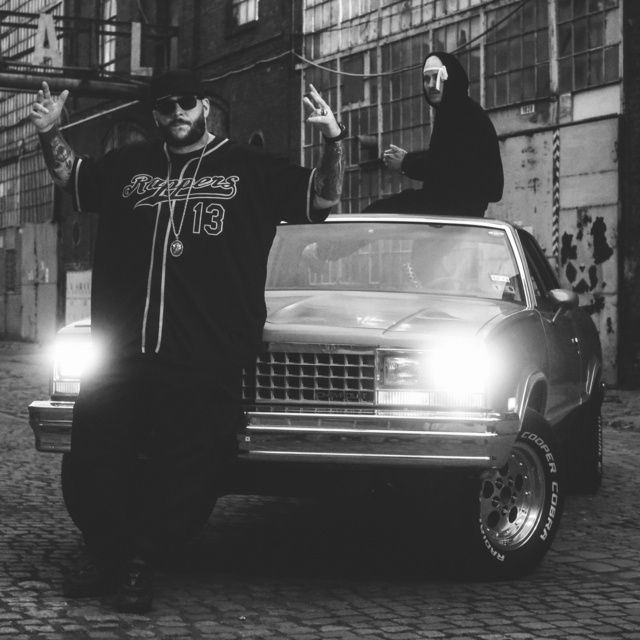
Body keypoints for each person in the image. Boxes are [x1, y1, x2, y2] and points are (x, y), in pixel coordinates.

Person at [29, 69, 345, 613]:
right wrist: (49, 131)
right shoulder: (129, 165)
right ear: (154, 114)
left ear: (204, 106)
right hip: (123, 348)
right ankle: (104, 551)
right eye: (164, 105)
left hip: (204, 354)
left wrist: (333, 140)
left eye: (185, 102)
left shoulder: (248, 167)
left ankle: (141, 560)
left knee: (185, 466)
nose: (175, 112)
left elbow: (323, 196)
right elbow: (70, 177)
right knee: (95, 451)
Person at [366, 50, 503, 216]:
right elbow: (445, 162)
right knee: (378, 211)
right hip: (446, 210)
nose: (431, 85)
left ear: (450, 78)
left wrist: (405, 163)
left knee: (376, 212)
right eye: (426, 79)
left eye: (436, 77)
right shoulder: (452, 112)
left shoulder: (463, 114)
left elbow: (448, 168)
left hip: (454, 213)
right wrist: (407, 160)